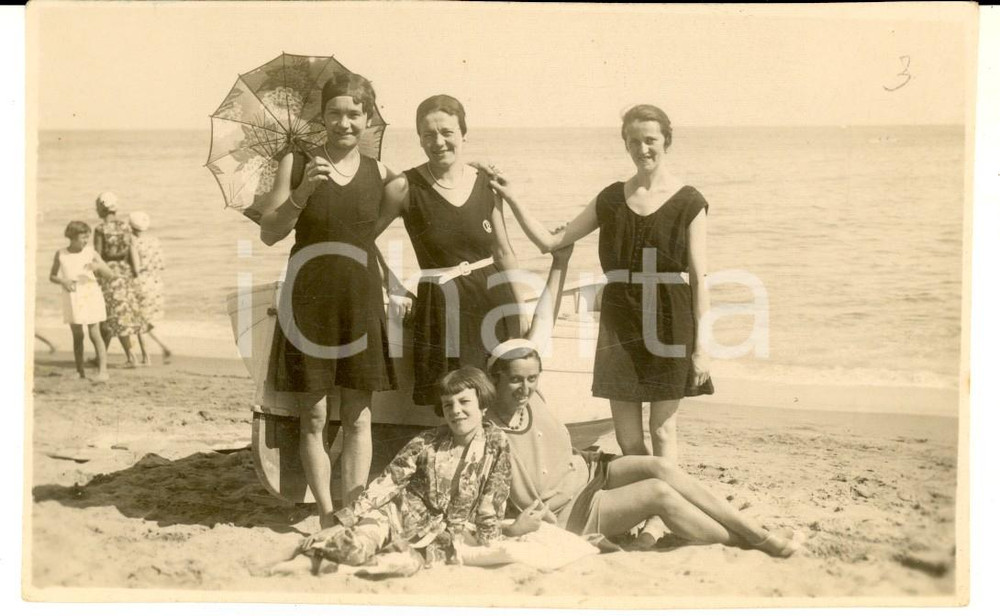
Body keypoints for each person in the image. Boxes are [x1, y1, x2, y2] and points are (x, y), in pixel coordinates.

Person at [483, 243, 802, 558]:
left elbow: (543, 318)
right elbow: (480, 506)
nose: (525, 388)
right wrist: (514, 529)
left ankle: (756, 532)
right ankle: (752, 541)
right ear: (494, 379)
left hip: (588, 470)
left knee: (660, 467)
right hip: (571, 508)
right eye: (515, 380)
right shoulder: (488, 433)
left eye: (531, 378)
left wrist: (560, 260)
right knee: (659, 494)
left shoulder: (530, 388)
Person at [488, 104, 713, 544]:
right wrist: (511, 197)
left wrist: (703, 347)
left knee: (662, 430)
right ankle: (643, 506)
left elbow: (701, 277)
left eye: (650, 139)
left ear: (667, 140)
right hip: (621, 317)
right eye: (634, 140)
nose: (642, 148)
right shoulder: (612, 197)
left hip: (670, 315)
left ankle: (659, 520)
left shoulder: (690, 200)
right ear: (625, 143)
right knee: (629, 436)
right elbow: (553, 241)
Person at [258, 72, 398, 527]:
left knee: (359, 416)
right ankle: (325, 513)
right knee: (314, 417)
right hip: (309, 298)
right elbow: (269, 232)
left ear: (368, 117)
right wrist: (301, 193)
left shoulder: (382, 173)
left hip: (360, 299)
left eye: (354, 114)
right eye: (334, 113)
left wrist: (398, 284)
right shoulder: (296, 163)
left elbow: (366, 237)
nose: (344, 123)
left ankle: (354, 510)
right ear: (321, 117)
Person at [376, 94, 527, 407]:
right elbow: (361, 238)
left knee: (500, 396)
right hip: (442, 306)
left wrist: (520, 307)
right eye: (428, 135)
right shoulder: (404, 187)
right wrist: (394, 286)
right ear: (419, 139)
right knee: (456, 402)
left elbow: (503, 250)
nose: (439, 142)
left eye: (447, 132)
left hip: (494, 299)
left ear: (463, 134)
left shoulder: (487, 182)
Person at [298, 366, 512, 569]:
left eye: (464, 401)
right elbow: (387, 483)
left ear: (482, 405)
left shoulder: (496, 442)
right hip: (398, 518)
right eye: (448, 404)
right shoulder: (427, 440)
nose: (456, 411)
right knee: (353, 550)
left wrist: (488, 541)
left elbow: (492, 502)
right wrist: (341, 523)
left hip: (454, 532)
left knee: (490, 553)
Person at [50, 221, 112, 381]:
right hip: (72, 295)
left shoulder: (91, 252)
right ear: (72, 237)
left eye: (87, 237)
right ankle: (80, 371)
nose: (86, 241)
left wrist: (97, 267)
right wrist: (63, 281)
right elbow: (52, 276)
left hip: (90, 294)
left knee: (94, 333)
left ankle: (103, 371)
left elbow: (109, 273)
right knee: (77, 335)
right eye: (83, 237)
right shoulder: (61, 254)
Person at [92, 191, 140, 367]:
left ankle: (130, 357)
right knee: (119, 316)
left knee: (109, 317)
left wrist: (94, 277)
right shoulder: (126, 227)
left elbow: (98, 255)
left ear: (102, 208)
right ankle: (102, 357)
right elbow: (129, 252)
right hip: (124, 272)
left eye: (97, 205)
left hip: (108, 272)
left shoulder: (100, 229)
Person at [128, 212, 172, 366]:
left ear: (130, 226)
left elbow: (136, 268)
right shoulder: (155, 240)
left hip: (142, 283)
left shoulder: (133, 242)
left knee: (138, 321)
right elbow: (162, 264)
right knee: (146, 320)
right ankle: (164, 347)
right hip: (156, 283)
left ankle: (147, 358)